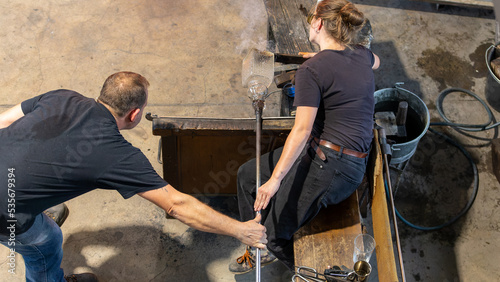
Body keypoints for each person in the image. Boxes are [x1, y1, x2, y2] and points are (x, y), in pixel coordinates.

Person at [0, 71, 267, 282]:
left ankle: (33, 203)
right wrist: (241, 230)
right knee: (48, 241)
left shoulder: (63, 96)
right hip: (6, 213)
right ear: (134, 114)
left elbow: (4, 122)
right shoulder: (117, 155)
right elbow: (176, 204)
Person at [229, 0, 380, 273]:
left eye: (311, 16)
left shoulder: (311, 71)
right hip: (331, 155)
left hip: (334, 167)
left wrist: (275, 181)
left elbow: (301, 131)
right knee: (247, 176)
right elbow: (375, 61)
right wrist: (326, 58)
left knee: (273, 236)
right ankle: (256, 247)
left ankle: (314, 275)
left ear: (319, 23)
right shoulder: (361, 54)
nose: (309, 21)